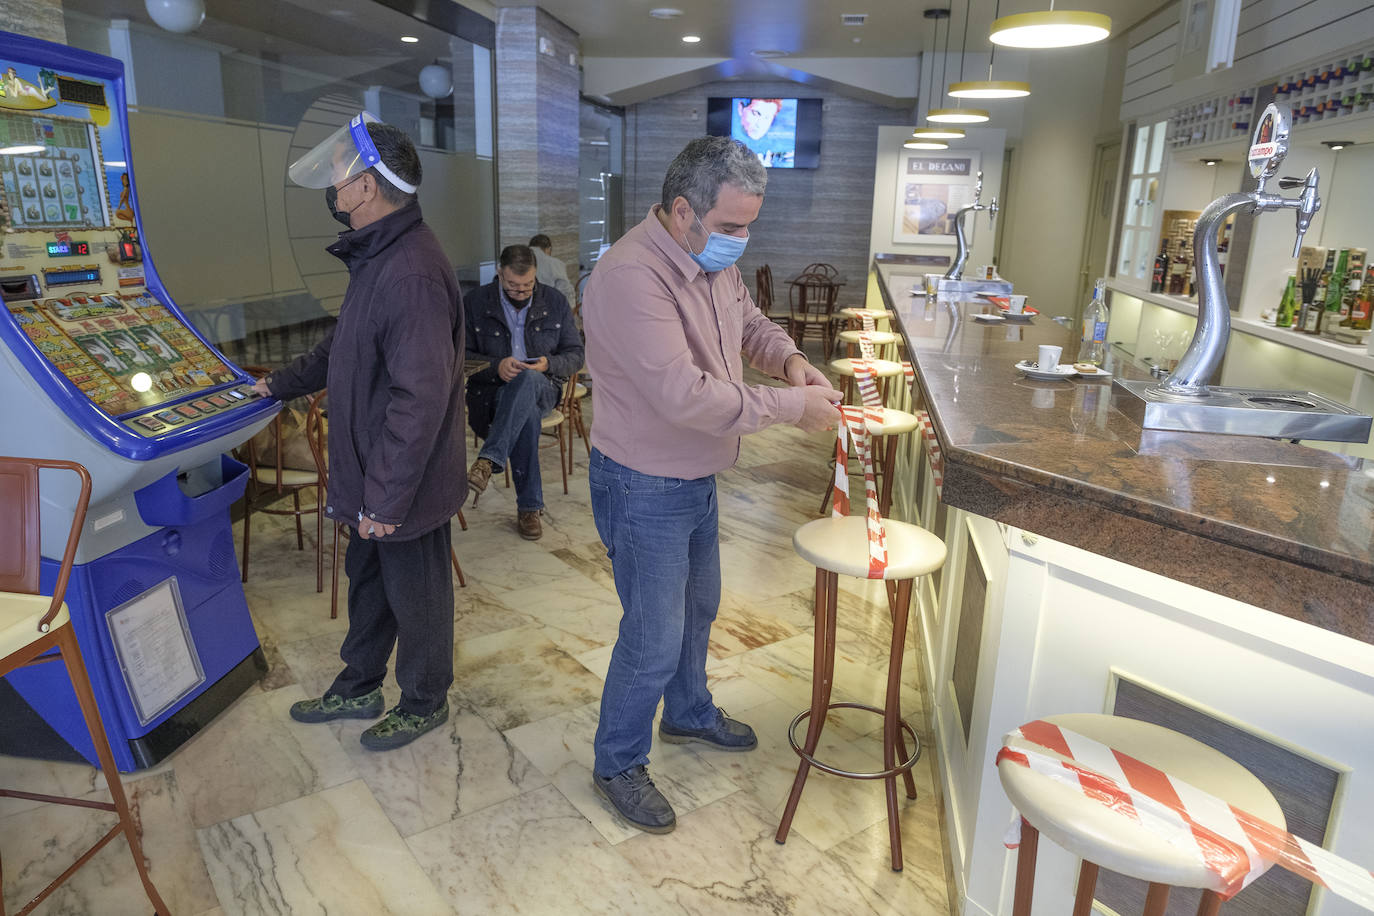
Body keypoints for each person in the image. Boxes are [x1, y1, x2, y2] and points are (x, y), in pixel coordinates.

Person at [581, 136, 841, 833]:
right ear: (679, 211)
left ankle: (689, 712)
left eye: (748, 225)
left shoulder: (706, 259)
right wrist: (793, 408)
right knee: (653, 634)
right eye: (730, 226)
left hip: (694, 474)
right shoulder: (632, 277)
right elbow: (686, 397)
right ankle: (617, 761)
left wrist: (789, 362)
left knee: (699, 609)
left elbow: (749, 324)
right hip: (644, 482)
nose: (740, 239)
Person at [252, 112, 465, 751]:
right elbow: (343, 348)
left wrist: (386, 498)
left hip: (401, 484)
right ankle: (361, 684)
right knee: (369, 583)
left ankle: (425, 699)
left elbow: (419, 398)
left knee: (417, 593)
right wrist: (276, 384)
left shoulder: (410, 271)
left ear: (368, 187)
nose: (335, 191)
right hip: (374, 476)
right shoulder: (381, 258)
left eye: (342, 180)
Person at [465, 244, 583, 541]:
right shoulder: (476, 303)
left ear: (536, 277)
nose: (521, 292)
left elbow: (575, 355)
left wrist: (548, 364)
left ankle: (489, 459)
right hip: (491, 393)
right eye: (513, 286)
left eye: (527, 286)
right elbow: (459, 356)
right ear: (499, 275)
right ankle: (529, 508)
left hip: (543, 386)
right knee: (525, 413)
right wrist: (495, 366)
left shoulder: (553, 301)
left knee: (528, 383)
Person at [528, 233, 575, 301]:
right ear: (549, 249)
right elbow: (566, 292)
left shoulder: (517, 259)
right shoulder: (555, 263)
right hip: (547, 306)